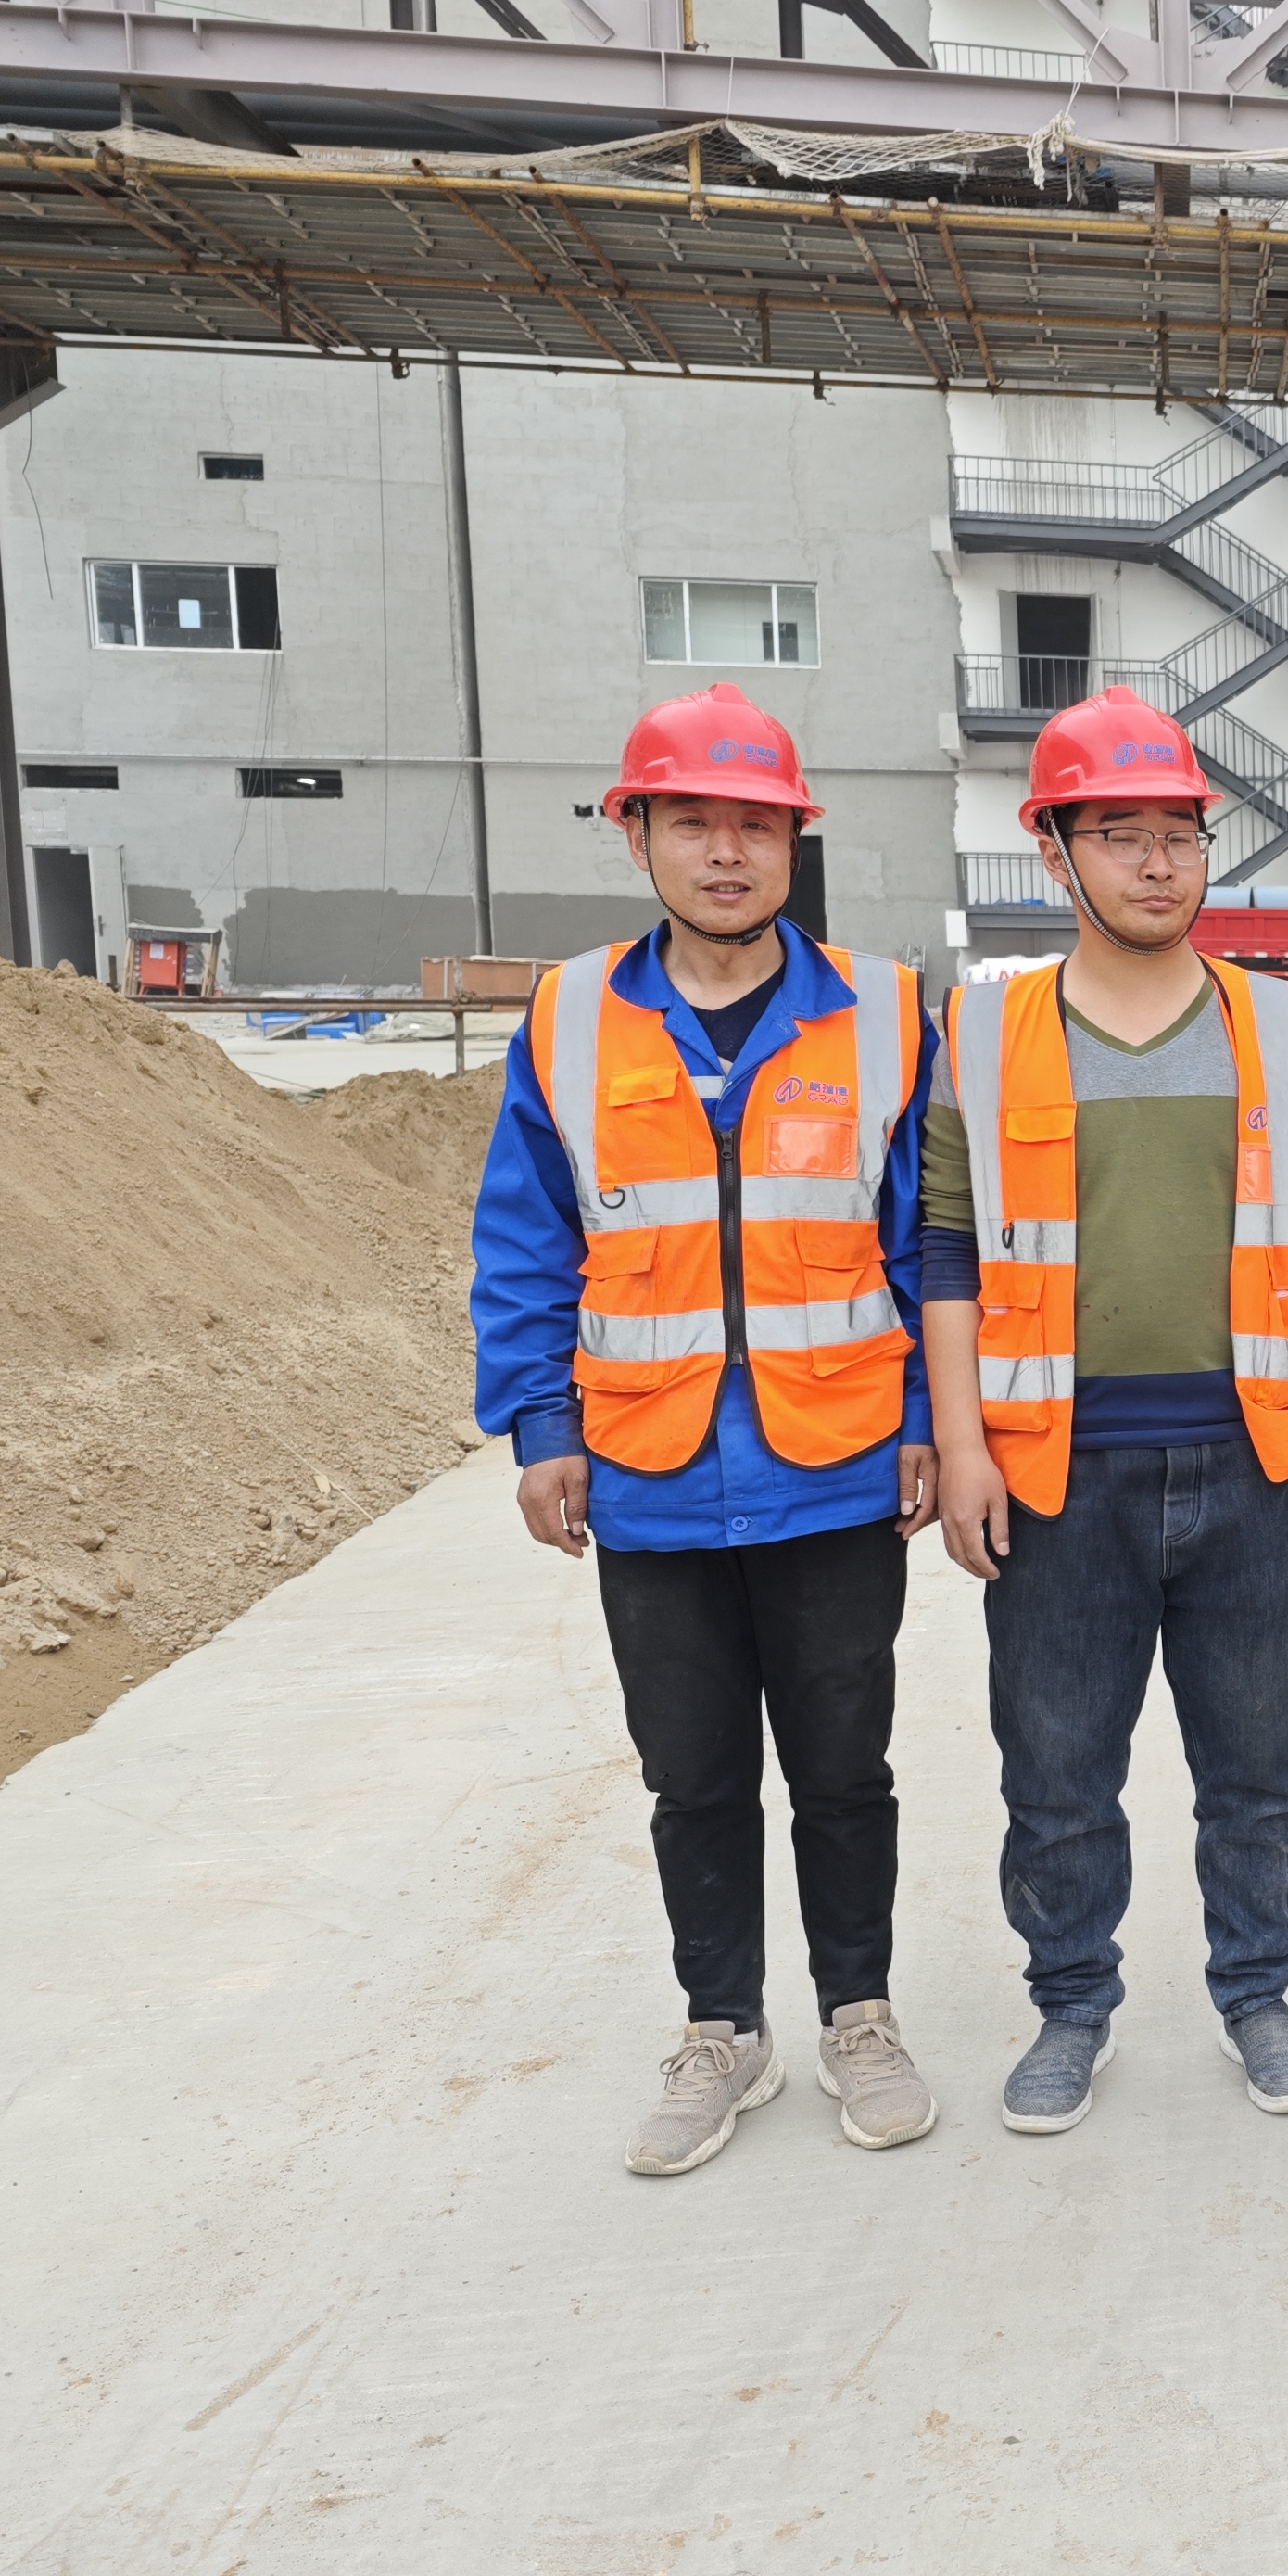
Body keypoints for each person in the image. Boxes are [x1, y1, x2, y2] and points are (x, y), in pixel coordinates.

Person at [471, 683, 942, 2177]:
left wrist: (927, 1417)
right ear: (640, 838)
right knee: (693, 1777)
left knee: (845, 1771)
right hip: (652, 1470)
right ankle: (722, 2028)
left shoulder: (885, 1014)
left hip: (836, 1466)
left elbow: (925, 1242)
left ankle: (858, 2013)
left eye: (756, 825)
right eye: (694, 823)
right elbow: (528, 1239)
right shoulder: (569, 1021)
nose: (727, 853)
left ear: (796, 842)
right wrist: (541, 1420)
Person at [921, 687, 1288, 2130]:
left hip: (1246, 1460)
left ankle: (1258, 1991)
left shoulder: (1276, 1024)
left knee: (1260, 1762)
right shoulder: (984, 1034)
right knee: (1058, 1769)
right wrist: (964, 1443)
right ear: (1055, 851)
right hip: (1055, 1473)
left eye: (1179, 831)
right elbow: (945, 1246)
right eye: (1119, 834)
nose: (1159, 862)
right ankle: (1073, 2003)